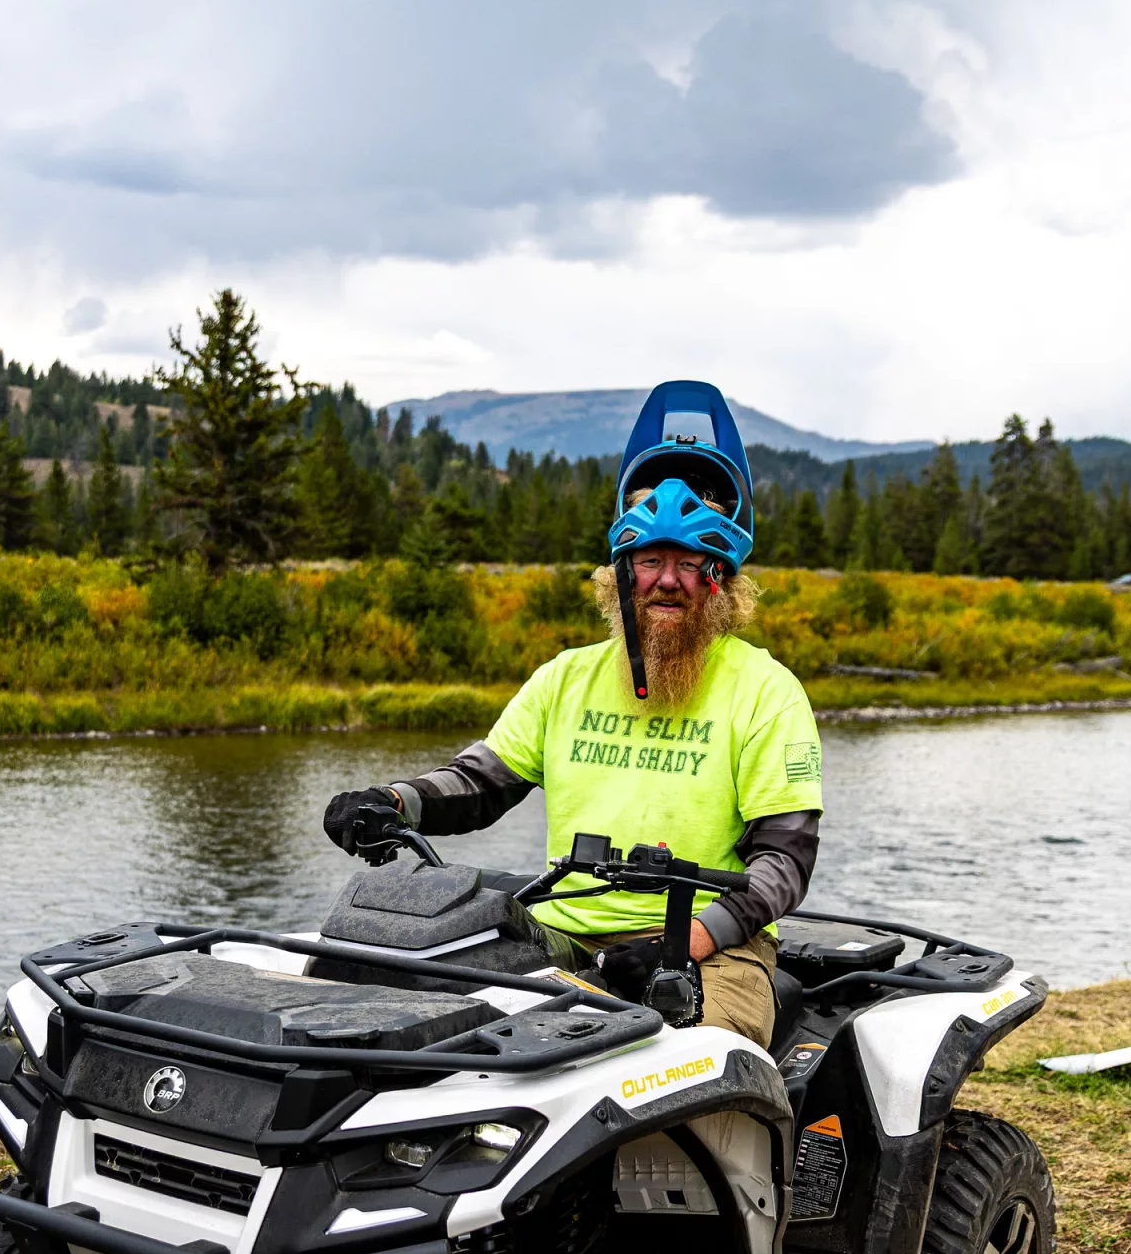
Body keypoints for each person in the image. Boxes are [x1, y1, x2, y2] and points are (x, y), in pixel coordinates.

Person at [320, 380, 824, 1047]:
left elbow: (783, 863)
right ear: (620, 573)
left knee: (699, 1068)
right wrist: (393, 802)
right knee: (407, 1022)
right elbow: (479, 783)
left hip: (712, 948)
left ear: (720, 579)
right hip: (556, 932)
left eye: (688, 562)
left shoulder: (766, 690)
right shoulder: (567, 677)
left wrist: (695, 939)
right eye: (649, 560)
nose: (666, 580)